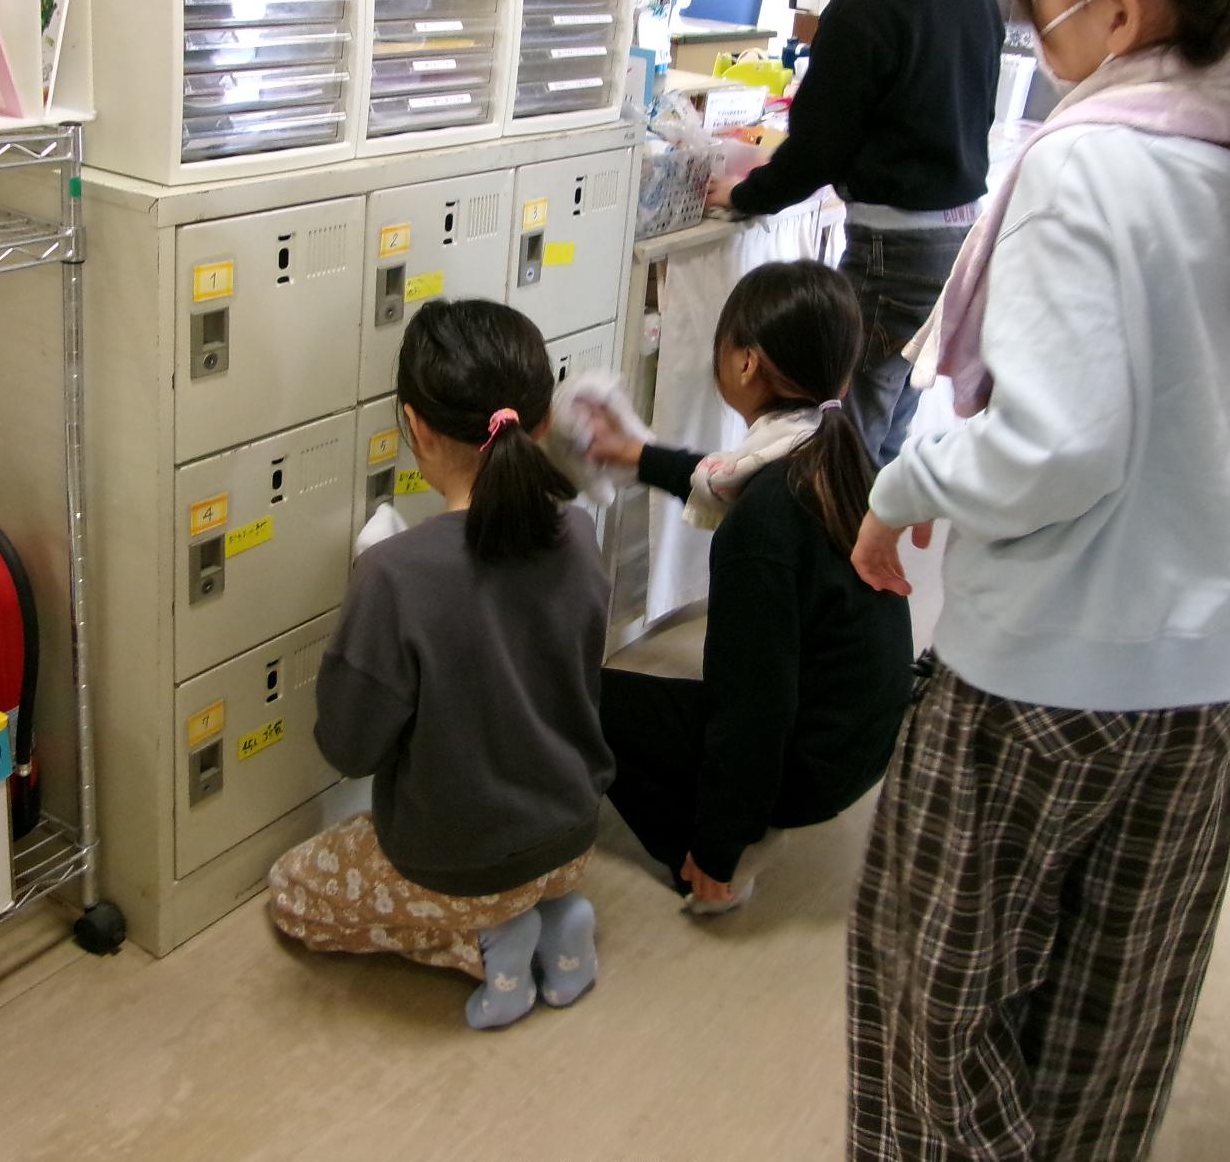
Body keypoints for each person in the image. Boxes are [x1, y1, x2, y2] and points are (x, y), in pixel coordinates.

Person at [843, 0, 1230, 1161]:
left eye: (1051, 0)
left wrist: (901, 491)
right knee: (1103, 1050)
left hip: (1037, 693)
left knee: (939, 1037)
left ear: (1123, 13)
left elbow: (1048, 445)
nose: (1042, 32)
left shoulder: (1093, 168)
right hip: (1204, 694)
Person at [267, 299, 613, 1031]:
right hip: (574, 837)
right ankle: (558, 921)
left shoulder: (395, 574)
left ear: (416, 427)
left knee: (293, 891)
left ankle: (488, 943)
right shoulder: (578, 530)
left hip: (461, 862)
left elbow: (349, 746)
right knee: (522, 870)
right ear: (541, 422)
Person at [586, 262, 915, 913]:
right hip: (858, 741)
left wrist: (717, 847)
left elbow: (753, 707)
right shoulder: (834, 445)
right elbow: (720, 477)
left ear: (743, 364)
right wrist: (634, 454)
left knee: (577, 696)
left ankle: (709, 856)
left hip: (808, 761)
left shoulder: (764, 524)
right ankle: (741, 814)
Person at [706, 0, 1004, 469]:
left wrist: (744, 195)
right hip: (959, 246)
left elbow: (816, 151)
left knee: (841, 436)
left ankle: (835, 565)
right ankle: (865, 545)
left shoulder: (865, 11)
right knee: (889, 419)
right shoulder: (977, 0)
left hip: (889, 255)